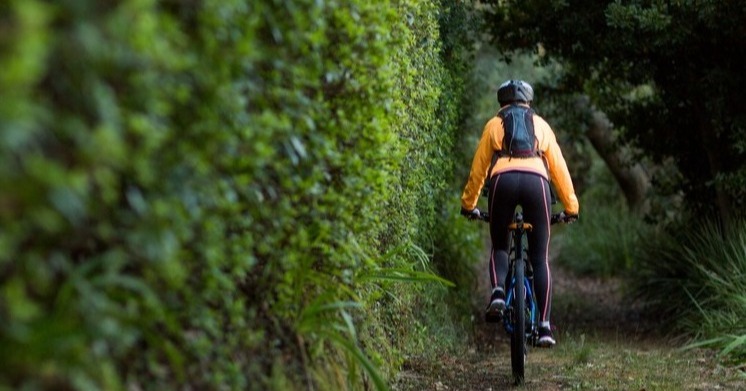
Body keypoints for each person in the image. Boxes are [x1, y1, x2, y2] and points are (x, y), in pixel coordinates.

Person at [460, 79, 579, 347]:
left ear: (502, 103)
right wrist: (571, 208)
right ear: (529, 102)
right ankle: (546, 327)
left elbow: (479, 170)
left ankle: (499, 293)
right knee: (539, 258)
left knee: (500, 245)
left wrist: (469, 204)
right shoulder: (542, 126)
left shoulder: (493, 124)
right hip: (537, 182)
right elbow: (559, 169)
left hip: (502, 180)